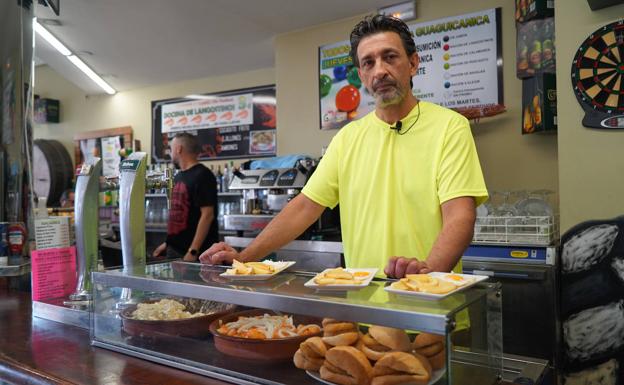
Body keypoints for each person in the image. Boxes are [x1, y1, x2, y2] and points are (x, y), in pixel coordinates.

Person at [200, 14, 488, 278]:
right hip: (363, 307)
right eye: (369, 63)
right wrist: (244, 258)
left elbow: (459, 215)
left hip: (429, 311)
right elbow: (305, 207)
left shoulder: (449, 127)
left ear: (413, 63)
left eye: (390, 57)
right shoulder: (347, 138)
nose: (380, 71)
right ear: (361, 76)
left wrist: (426, 277)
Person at [153, 133, 219, 262]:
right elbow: (179, 213)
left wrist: (193, 251)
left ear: (179, 149)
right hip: (175, 250)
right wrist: (168, 243)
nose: (170, 153)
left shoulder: (203, 175)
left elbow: (207, 215)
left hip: (195, 253)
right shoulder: (178, 177)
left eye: (171, 149)